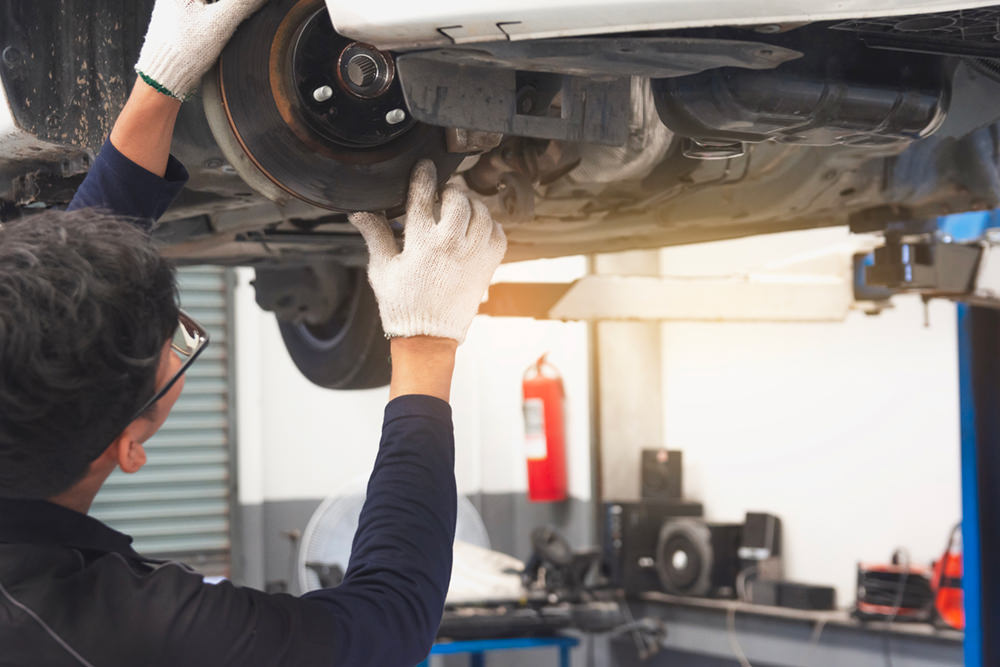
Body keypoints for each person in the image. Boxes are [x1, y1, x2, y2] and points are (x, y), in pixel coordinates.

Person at [0, 0, 507, 665]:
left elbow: (74, 290)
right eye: (175, 345)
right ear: (126, 446)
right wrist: (424, 338)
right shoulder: (102, 632)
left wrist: (157, 84)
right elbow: (383, 624)